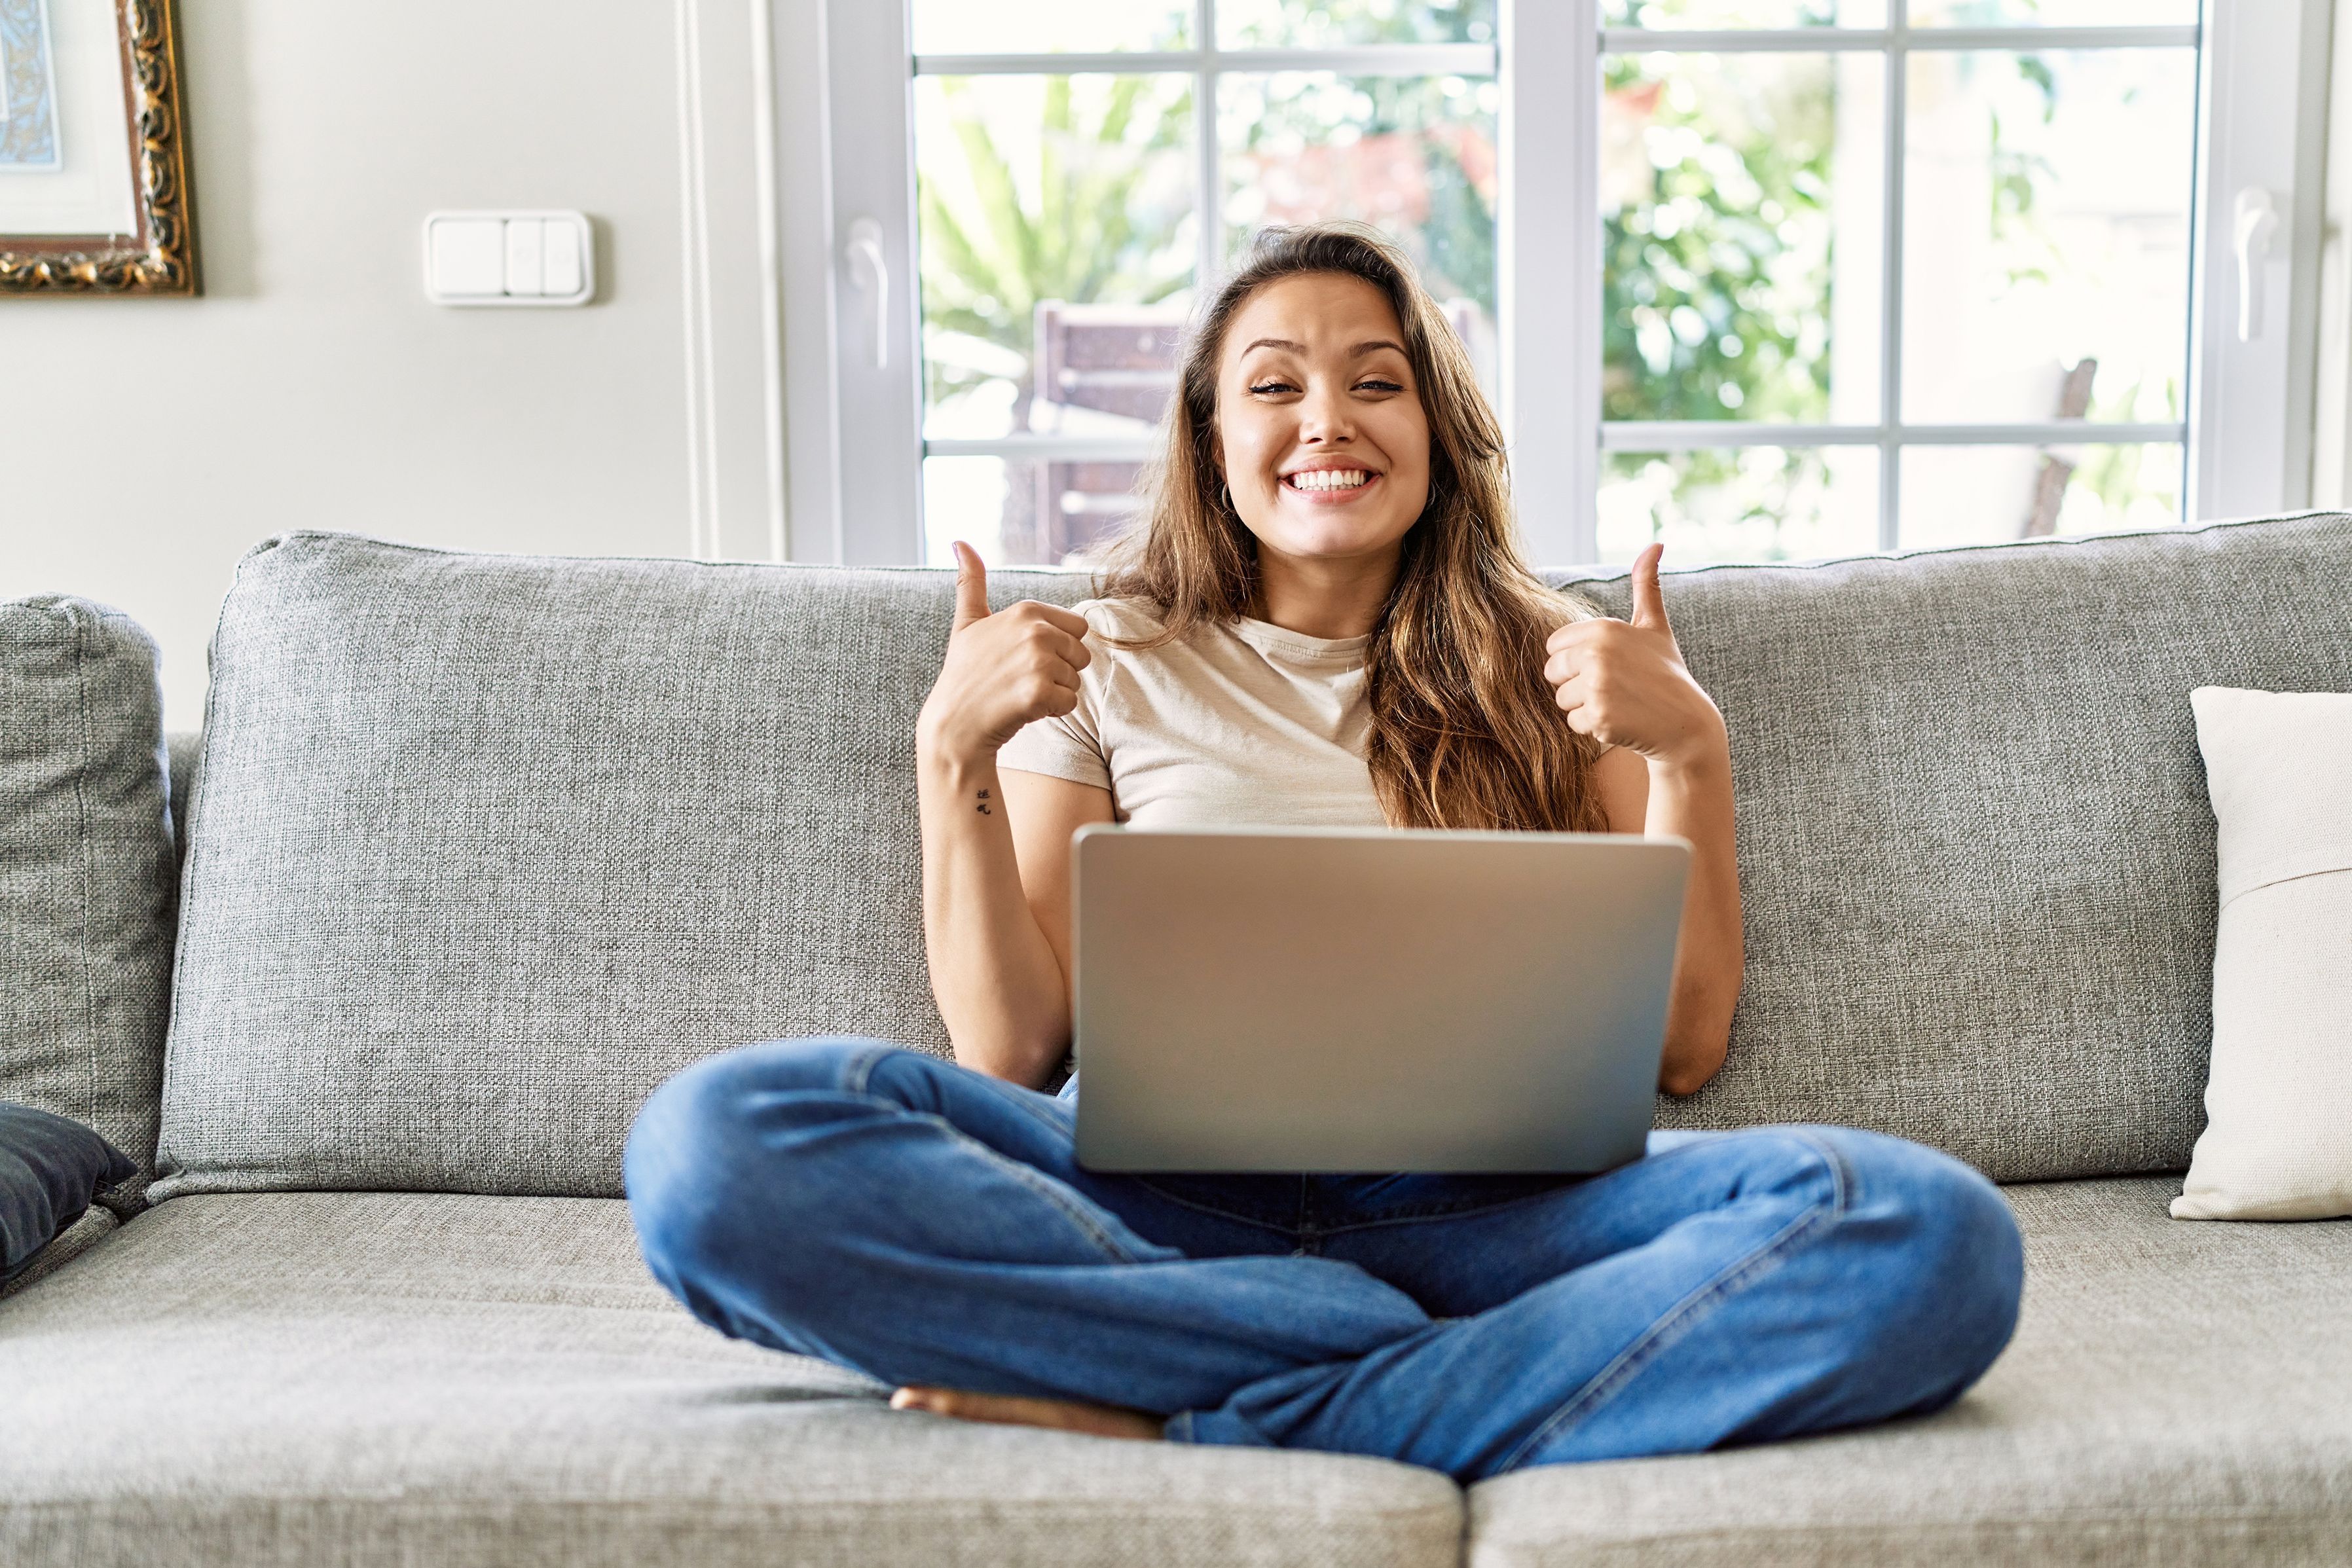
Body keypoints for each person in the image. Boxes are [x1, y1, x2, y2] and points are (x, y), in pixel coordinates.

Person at [624, 222, 2024, 1483]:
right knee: (711, 1145)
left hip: (1496, 1217)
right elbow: (1010, 1049)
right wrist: (949, 756)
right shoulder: (1102, 657)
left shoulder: (1561, 665)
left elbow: (1680, 1047)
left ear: (1432, 421)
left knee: (1920, 1230)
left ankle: (1208, 1408)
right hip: (1150, 1209)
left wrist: (1688, 752)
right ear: (1209, 434)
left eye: (1373, 378)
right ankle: (1378, 1351)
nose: (1325, 421)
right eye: (1273, 384)